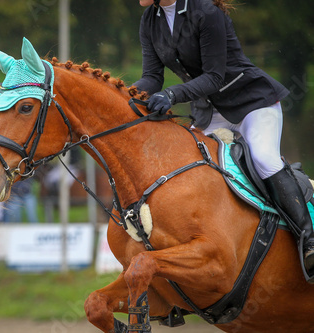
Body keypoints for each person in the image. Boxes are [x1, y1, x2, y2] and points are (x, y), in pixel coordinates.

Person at [133, 0, 314, 277]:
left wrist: (172, 95)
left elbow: (215, 77)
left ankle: (308, 240)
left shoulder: (206, 12)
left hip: (252, 103)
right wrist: (127, 94)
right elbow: (151, 77)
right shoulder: (150, 19)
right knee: (190, 172)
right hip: (210, 114)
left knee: (263, 159)